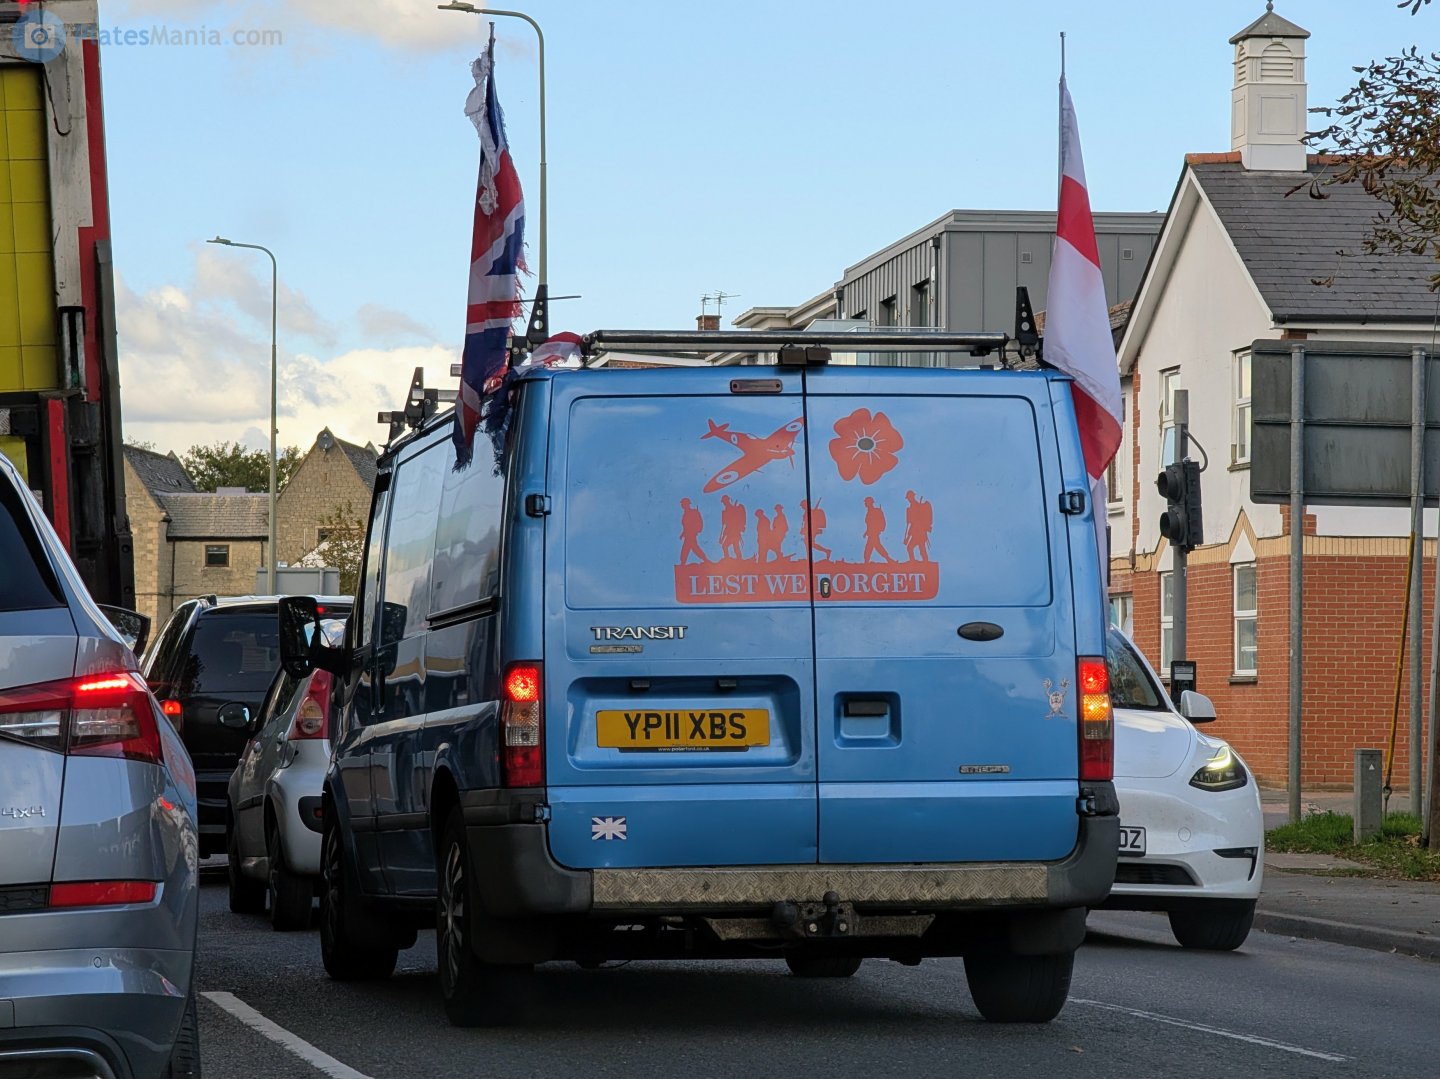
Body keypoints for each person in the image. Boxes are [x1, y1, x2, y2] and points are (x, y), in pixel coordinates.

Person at [862, 496, 895, 563]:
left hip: (874, 533)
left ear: (870, 503)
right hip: (871, 533)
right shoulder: (869, 512)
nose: (865, 503)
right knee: (876, 547)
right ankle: (889, 559)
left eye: (866, 502)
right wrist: (866, 532)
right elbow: (869, 525)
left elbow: (881, 521)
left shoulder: (876, 511)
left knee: (872, 548)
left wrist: (878, 530)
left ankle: (866, 562)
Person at [903, 490, 932, 562]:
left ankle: (920, 562)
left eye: (909, 498)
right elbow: (912, 523)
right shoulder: (912, 506)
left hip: (920, 532)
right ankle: (921, 562)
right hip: (916, 532)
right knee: (919, 549)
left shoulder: (916, 506)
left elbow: (915, 523)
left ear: (912, 497)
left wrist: (908, 537)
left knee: (915, 548)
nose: (908, 500)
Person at [679, 498, 708, 564]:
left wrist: (696, 530)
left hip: (691, 534)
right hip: (687, 535)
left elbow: (699, 522)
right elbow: (686, 527)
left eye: (683, 504)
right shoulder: (685, 515)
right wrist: (682, 534)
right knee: (692, 548)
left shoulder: (693, 512)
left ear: (687, 504)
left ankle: (705, 560)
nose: (682, 505)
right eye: (682, 504)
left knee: (689, 548)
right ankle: (705, 560)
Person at [719, 494, 746, 560]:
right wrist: (722, 537)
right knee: (734, 547)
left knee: (730, 547)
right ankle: (735, 560)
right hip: (730, 532)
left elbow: (732, 523)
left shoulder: (733, 509)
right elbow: (725, 525)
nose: (724, 503)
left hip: (734, 532)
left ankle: (735, 560)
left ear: (727, 501)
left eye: (724, 502)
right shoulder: (726, 511)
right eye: (723, 502)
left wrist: (723, 537)